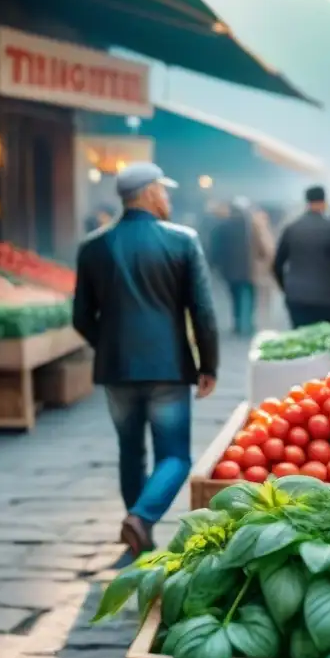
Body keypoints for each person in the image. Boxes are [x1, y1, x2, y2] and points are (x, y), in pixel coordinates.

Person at [73, 162, 219, 556]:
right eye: (164, 191)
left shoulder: (93, 246)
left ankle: (138, 533)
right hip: (168, 368)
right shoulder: (182, 240)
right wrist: (208, 365)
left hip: (117, 368)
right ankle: (141, 519)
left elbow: (81, 318)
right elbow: (202, 311)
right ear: (151, 193)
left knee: (130, 451)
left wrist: (107, 345)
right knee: (174, 454)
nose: (167, 198)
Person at [274, 186, 330, 328]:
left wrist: (286, 288)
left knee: (301, 340)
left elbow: (277, 265)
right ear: (324, 202)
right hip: (327, 297)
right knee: (326, 342)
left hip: (297, 297)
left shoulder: (291, 228)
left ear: (307, 202)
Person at [211, 199, 256, 336]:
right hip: (249, 268)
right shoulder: (250, 225)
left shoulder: (223, 226)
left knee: (235, 296)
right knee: (249, 295)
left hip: (230, 269)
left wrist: (215, 264)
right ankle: (247, 323)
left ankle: (238, 323)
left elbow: (216, 247)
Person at [248, 204, 277, 331]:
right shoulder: (260, 231)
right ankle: (262, 326)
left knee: (259, 300)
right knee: (262, 301)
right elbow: (269, 250)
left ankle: (260, 325)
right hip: (262, 271)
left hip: (259, 270)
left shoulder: (251, 230)